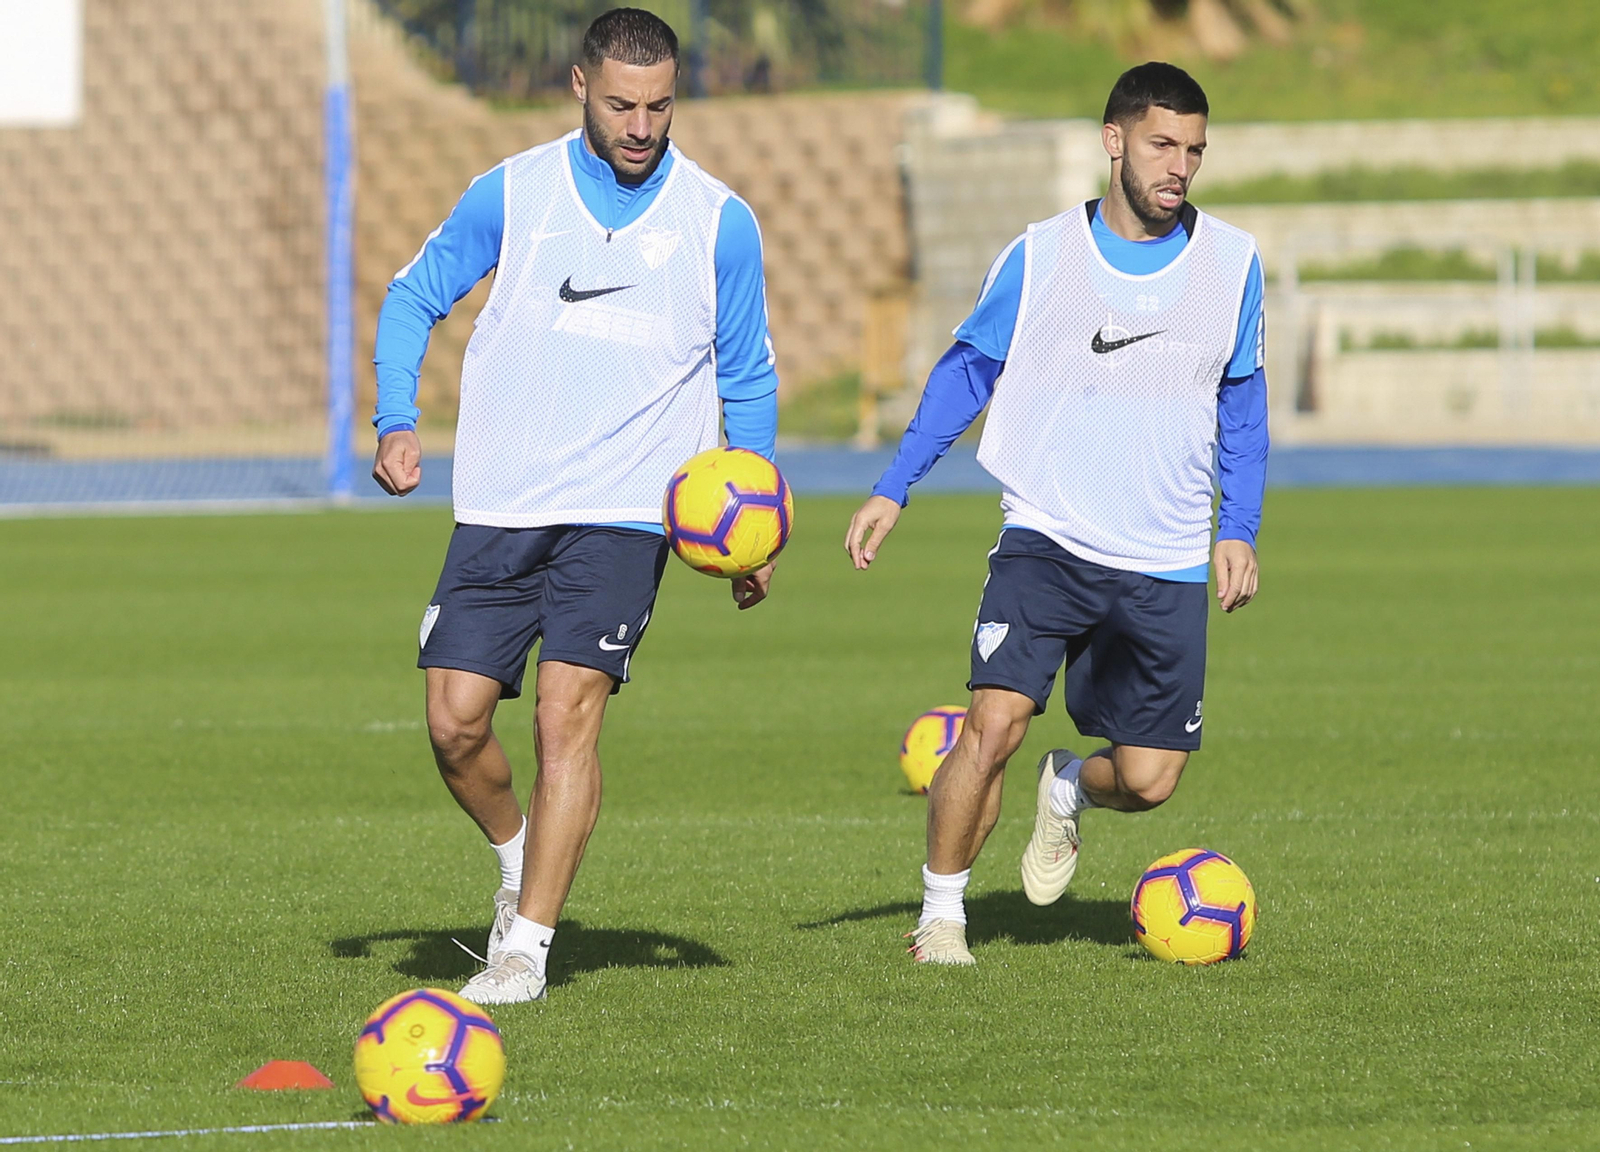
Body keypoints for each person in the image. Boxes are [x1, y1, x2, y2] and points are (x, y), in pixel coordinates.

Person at [370, 8, 779, 1003]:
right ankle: (519, 865)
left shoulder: (718, 220)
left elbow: (749, 375)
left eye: (659, 106)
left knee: (565, 715)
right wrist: (395, 417)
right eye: (621, 105)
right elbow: (410, 297)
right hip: (503, 505)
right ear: (579, 89)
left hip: (628, 513)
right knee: (455, 723)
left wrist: (757, 513)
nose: (640, 126)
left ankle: (527, 950)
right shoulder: (511, 194)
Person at [844, 63, 1268, 965]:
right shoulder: (1040, 255)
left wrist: (1238, 530)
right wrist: (895, 484)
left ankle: (1070, 787)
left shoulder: (1232, 264)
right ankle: (944, 917)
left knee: (1150, 782)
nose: (1178, 166)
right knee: (991, 725)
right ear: (1113, 140)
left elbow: (1244, 403)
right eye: (1161, 144)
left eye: (1193, 150)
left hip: (1164, 556)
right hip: (1047, 537)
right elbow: (967, 371)